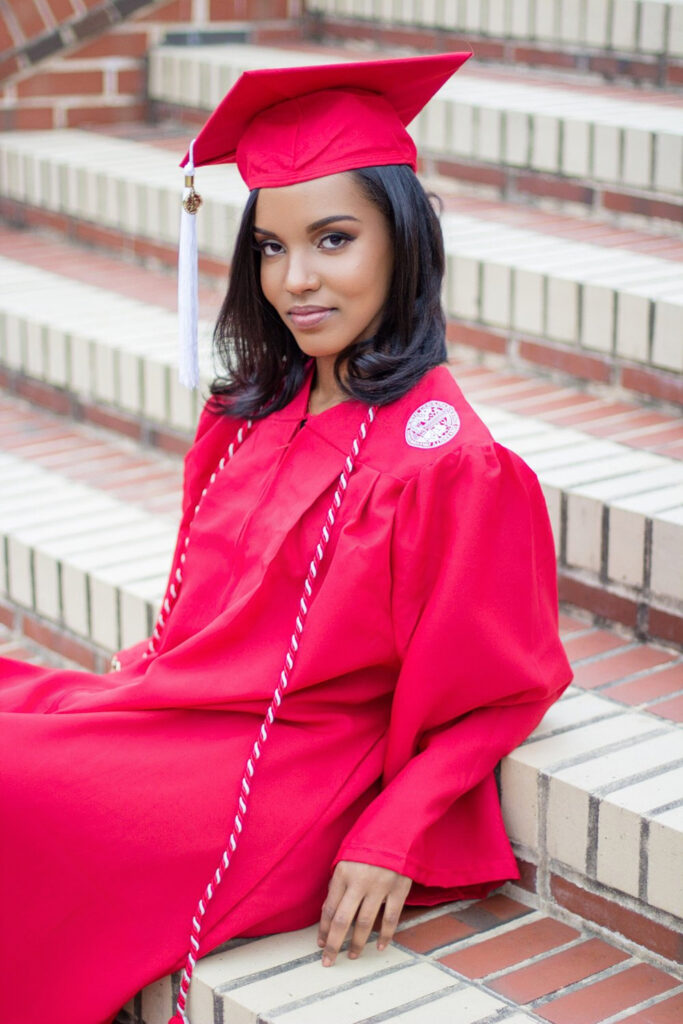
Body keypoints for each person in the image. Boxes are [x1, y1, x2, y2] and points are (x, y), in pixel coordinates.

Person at [0, 53, 572, 1024]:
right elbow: (205, 606)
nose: (293, 279)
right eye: (269, 247)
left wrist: (390, 830)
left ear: (403, 240)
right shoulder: (248, 413)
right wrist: (153, 666)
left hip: (287, 766)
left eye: (333, 239)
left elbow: (509, 684)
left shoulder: (450, 464)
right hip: (186, 710)